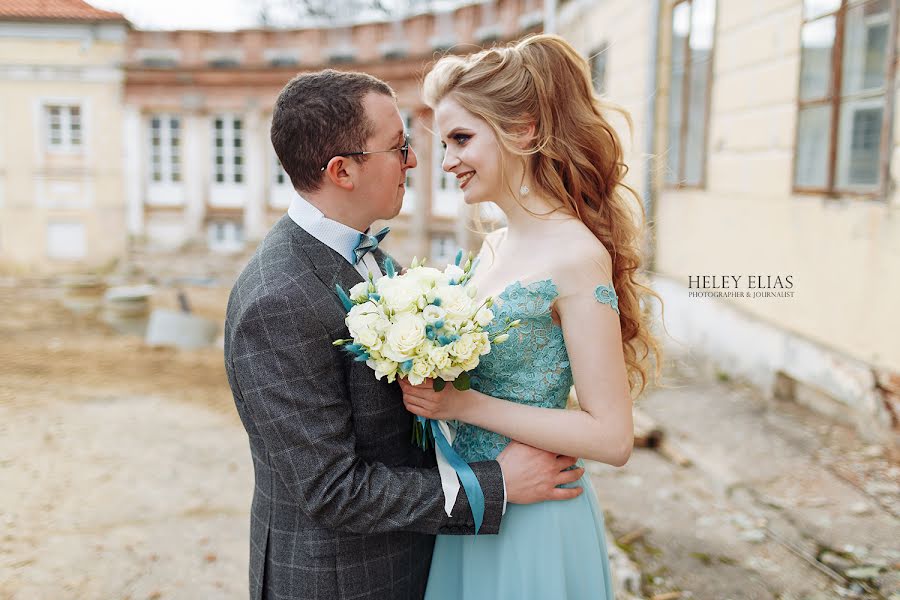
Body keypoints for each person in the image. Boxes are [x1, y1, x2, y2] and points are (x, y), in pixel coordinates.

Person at [223, 68, 586, 600]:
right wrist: (497, 483)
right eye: (398, 147)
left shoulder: (372, 261)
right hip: (342, 582)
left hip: (412, 563)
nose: (415, 161)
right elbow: (333, 490)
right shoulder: (277, 299)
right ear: (342, 170)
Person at [399, 34, 663, 599]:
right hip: (477, 505)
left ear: (524, 130)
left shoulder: (576, 256)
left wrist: (462, 403)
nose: (447, 161)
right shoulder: (491, 248)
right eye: (445, 143)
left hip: (536, 518)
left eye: (461, 139)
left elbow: (613, 435)